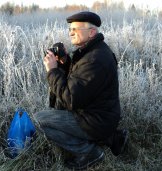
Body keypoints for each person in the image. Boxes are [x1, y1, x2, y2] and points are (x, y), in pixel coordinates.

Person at [34, 11, 128, 170]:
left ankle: (90, 152)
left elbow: (70, 99)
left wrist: (53, 71)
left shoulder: (94, 59)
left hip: (95, 119)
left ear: (91, 32)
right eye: (70, 29)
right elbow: (79, 83)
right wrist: (64, 62)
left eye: (76, 29)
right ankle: (111, 138)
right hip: (99, 115)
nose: (71, 32)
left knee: (39, 120)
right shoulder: (92, 51)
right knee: (53, 115)